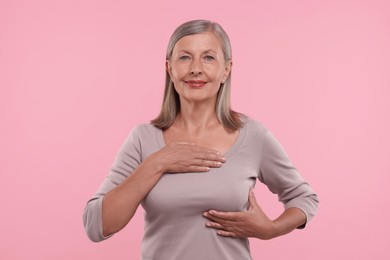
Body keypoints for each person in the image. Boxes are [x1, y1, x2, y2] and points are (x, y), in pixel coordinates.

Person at [83, 19, 319, 260]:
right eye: (185, 57)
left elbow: (304, 198)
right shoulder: (143, 138)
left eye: (208, 57)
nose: (195, 68)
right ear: (169, 68)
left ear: (226, 69)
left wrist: (271, 229)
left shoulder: (253, 135)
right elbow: (96, 225)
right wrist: (158, 162)